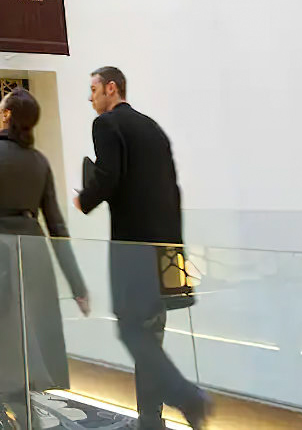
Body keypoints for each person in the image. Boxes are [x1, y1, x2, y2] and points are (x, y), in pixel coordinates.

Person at [75, 68, 211, 430]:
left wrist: (83, 199)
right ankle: (150, 419)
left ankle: (187, 397)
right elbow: (172, 190)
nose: (91, 98)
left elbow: (108, 176)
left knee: (132, 329)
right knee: (152, 333)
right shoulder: (153, 129)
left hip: (132, 250)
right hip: (165, 248)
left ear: (111, 88)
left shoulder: (106, 125)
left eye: (93, 90)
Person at [0, 89, 89, 430]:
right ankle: (19, 415)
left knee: (1, 342)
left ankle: (15, 419)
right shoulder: (38, 160)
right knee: (29, 342)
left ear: (8, 115)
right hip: (35, 254)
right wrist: (77, 284)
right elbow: (56, 223)